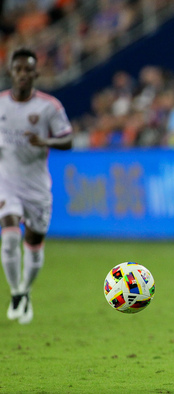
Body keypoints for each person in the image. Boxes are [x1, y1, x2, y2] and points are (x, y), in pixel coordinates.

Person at [0, 48, 73, 324]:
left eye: (27, 69)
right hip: (6, 182)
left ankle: (25, 290)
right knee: (8, 237)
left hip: (37, 188)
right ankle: (15, 292)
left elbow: (68, 140)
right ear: (11, 72)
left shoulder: (48, 107)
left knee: (33, 242)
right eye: (17, 69)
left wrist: (46, 142)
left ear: (35, 73)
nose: (22, 74)